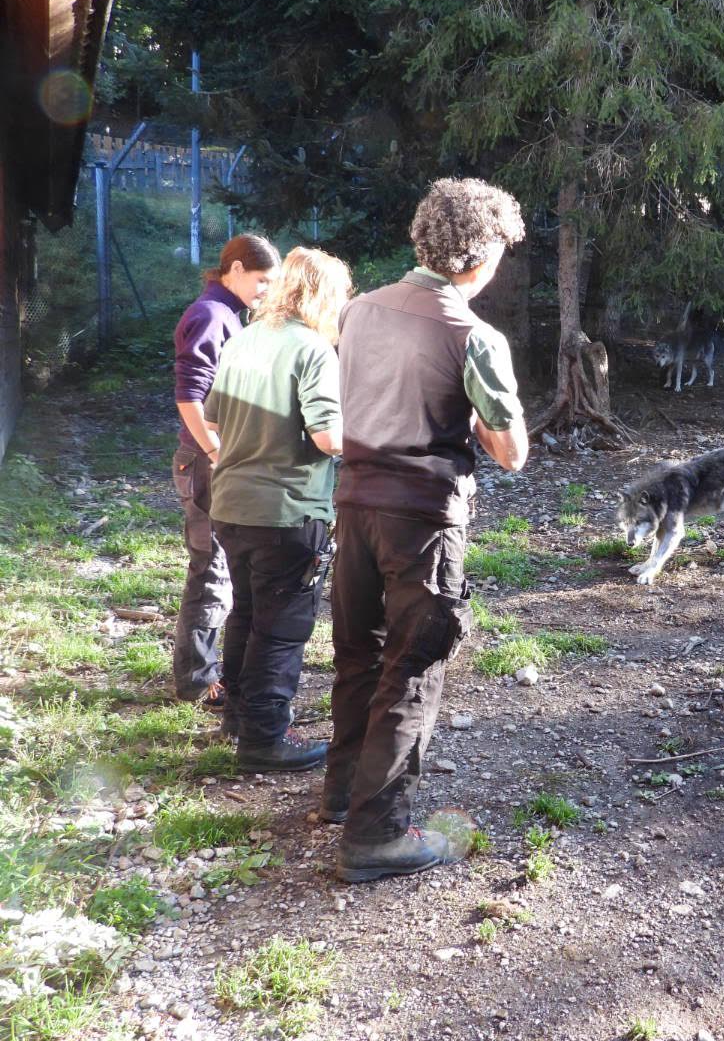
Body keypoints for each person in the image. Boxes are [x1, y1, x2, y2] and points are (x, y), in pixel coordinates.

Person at [326, 178, 528, 883]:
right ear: (482, 256)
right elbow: (512, 452)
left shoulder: (356, 311)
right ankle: (376, 835)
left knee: (358, 654)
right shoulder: (474, 335)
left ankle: (341, 796)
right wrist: (466, 414)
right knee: (411, 668)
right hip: (425, 520)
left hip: (351, 506)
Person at [205, 247, 351, 772]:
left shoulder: (242, 339)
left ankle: (239, 717)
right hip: (288, 511)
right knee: (282, 627)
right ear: (322, 297)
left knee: (246, 611)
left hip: (230, 504)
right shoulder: (313, 350)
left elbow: (214, 419)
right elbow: (330, 436)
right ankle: (265, 741)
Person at [171, 234, 280, 723]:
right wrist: (215, 453)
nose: (265, 291)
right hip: (205, 462)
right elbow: (189, 397)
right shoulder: (211, 316)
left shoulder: (229, 314)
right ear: (234, 269)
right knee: (211, 571)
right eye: (262, 281)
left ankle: (205, 671)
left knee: (220, 570)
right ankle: (197, 680)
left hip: (217, 461)